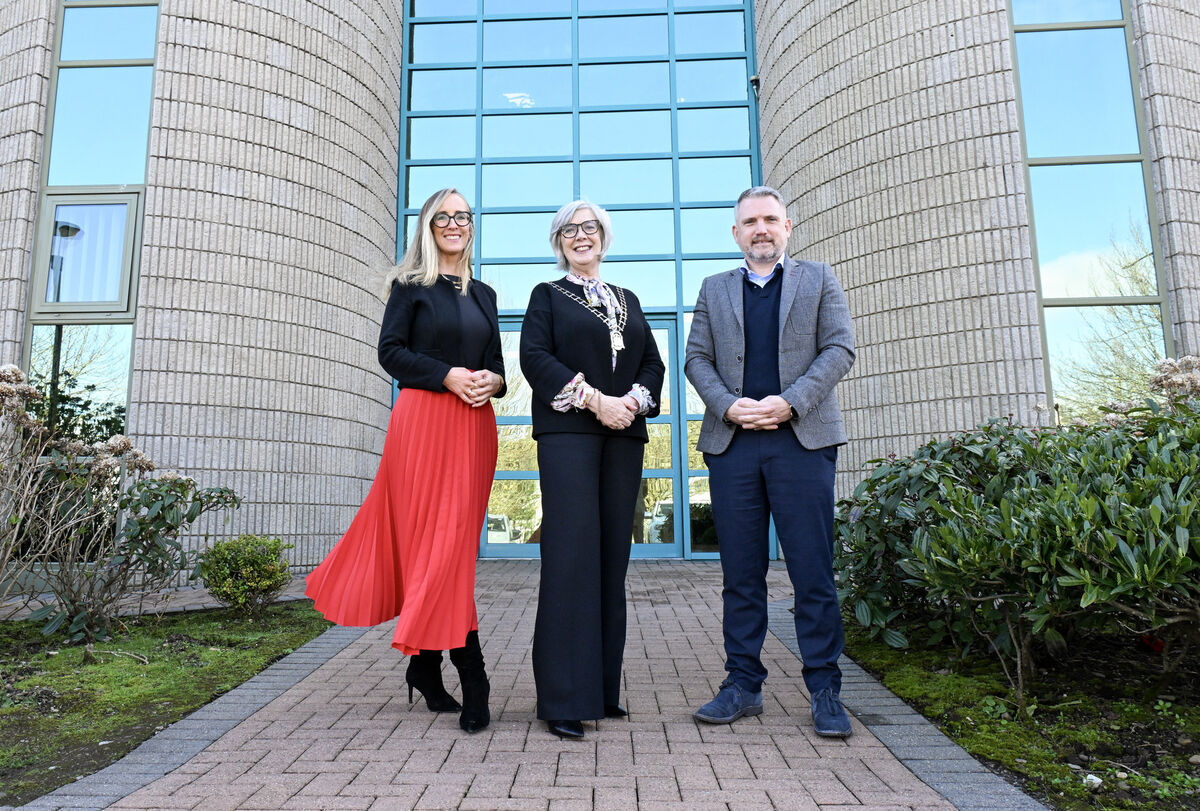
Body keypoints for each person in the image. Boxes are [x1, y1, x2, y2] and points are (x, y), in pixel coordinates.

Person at [305, 188, 505, 734]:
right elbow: (390, 352)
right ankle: (474, 677)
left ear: (471, 225)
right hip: (423, 424)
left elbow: (496, 364)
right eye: (443, 217)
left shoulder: (485, 293)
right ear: (428, 226)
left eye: (463, 216)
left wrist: (493, 380)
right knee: (434, 548)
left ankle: (424, 664)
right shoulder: (409, 286)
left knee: (453, 550)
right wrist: (446, 375)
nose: (454, 224)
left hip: (474, 429)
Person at [683, 185, 856, 737]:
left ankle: (825, 688)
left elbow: (840, 348)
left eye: (770, 220)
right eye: (750, 222)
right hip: (733, 445)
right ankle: (742, 684)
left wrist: (790, 402)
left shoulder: (819, 278)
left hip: (800, 442)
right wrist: (727, 405)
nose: (761, 229)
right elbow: (696, 358)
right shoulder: (714, 288)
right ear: (736, 233)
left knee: (812, 571)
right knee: (741, 574)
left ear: (787, 227)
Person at [519, 200, 665, 740]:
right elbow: (535, 357)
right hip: (570, 436)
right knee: (571, 558)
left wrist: (632, 401)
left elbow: (652, 362)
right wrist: (595, 400)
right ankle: (563, 698)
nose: (582, 236)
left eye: (590, 228)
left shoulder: (628, 298)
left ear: (603, 236)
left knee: (610, 560)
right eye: (570, 230)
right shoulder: (546, 295)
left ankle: (600, 690)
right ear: (559, 242)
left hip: (624, 436)